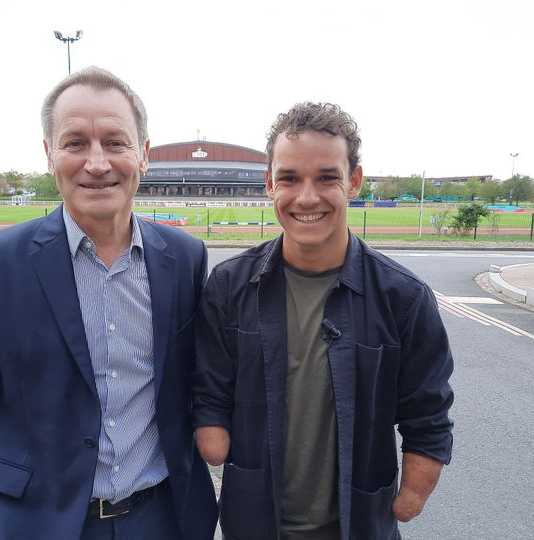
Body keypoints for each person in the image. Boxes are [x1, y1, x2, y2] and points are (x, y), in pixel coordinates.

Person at [0, 66, 218, 540]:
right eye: (76, 142)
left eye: (115, 142)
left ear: (143, 154)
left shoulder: (184, 258)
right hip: (33, 522)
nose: (97, 163)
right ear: (49, 154)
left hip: (163, 519)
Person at [192, 102, 454, 539]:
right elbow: (209, 390)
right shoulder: (228, 287)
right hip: (254, 525)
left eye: (327, 177)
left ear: (354, 181)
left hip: (360, 526)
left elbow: (427, 413)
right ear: (269, 183)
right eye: (289, 178)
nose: (307, 197)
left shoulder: (404, 298)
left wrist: (413, 494)